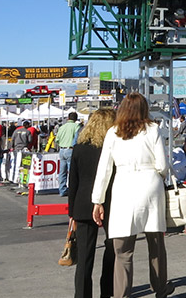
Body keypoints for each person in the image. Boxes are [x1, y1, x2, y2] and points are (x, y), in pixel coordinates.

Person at [91, 93, 172, 298]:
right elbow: (162, 164)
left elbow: (104, 169)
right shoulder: (152, 129)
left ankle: (122, 294)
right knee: (156, 243)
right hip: (150, 184)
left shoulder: (113, 132)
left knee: (123, 250)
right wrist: (159, 176)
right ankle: (160, 289)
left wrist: (98, 200)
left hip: (124, 185)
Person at [68, 108, 117, 298]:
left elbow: (73, 182)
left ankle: (82, 294)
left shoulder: (79, 148)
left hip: (82, 204)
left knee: (84, 257)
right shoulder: (111, 148)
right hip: (109, 203)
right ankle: (107, 291)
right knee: (112, 250)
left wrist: (72, 212)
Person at [56, 113, 82, 196]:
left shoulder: (62, 127)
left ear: (68, 118)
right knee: (72, 172)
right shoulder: (76, 126)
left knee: (62, 172)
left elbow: (57, 139)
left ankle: (62, 190)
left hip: (62, 149)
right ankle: (72, 190)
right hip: (70, 149)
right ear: (76, 119)